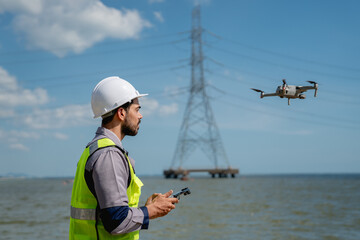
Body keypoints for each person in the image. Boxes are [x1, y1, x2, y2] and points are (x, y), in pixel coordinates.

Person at [69, 76, 179, 240]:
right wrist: (152, 211)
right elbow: (116, 221)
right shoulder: (109, 155)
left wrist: (146, 208)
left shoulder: (95, 148)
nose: (140, 116)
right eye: (136, 109)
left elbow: (107, 213)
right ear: (121, 113)